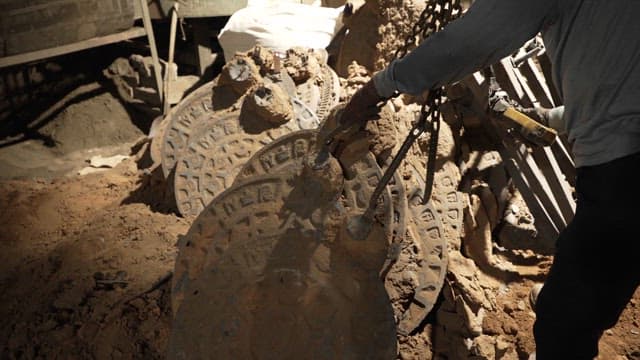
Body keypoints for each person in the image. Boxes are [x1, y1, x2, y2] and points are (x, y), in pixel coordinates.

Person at [343, 1, 640, 358]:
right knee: (599, 278)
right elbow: (620, 73)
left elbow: (468, 42)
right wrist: (551, 116)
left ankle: (573, 309)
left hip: (625, 168)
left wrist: (380, 85)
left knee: (564, 323)